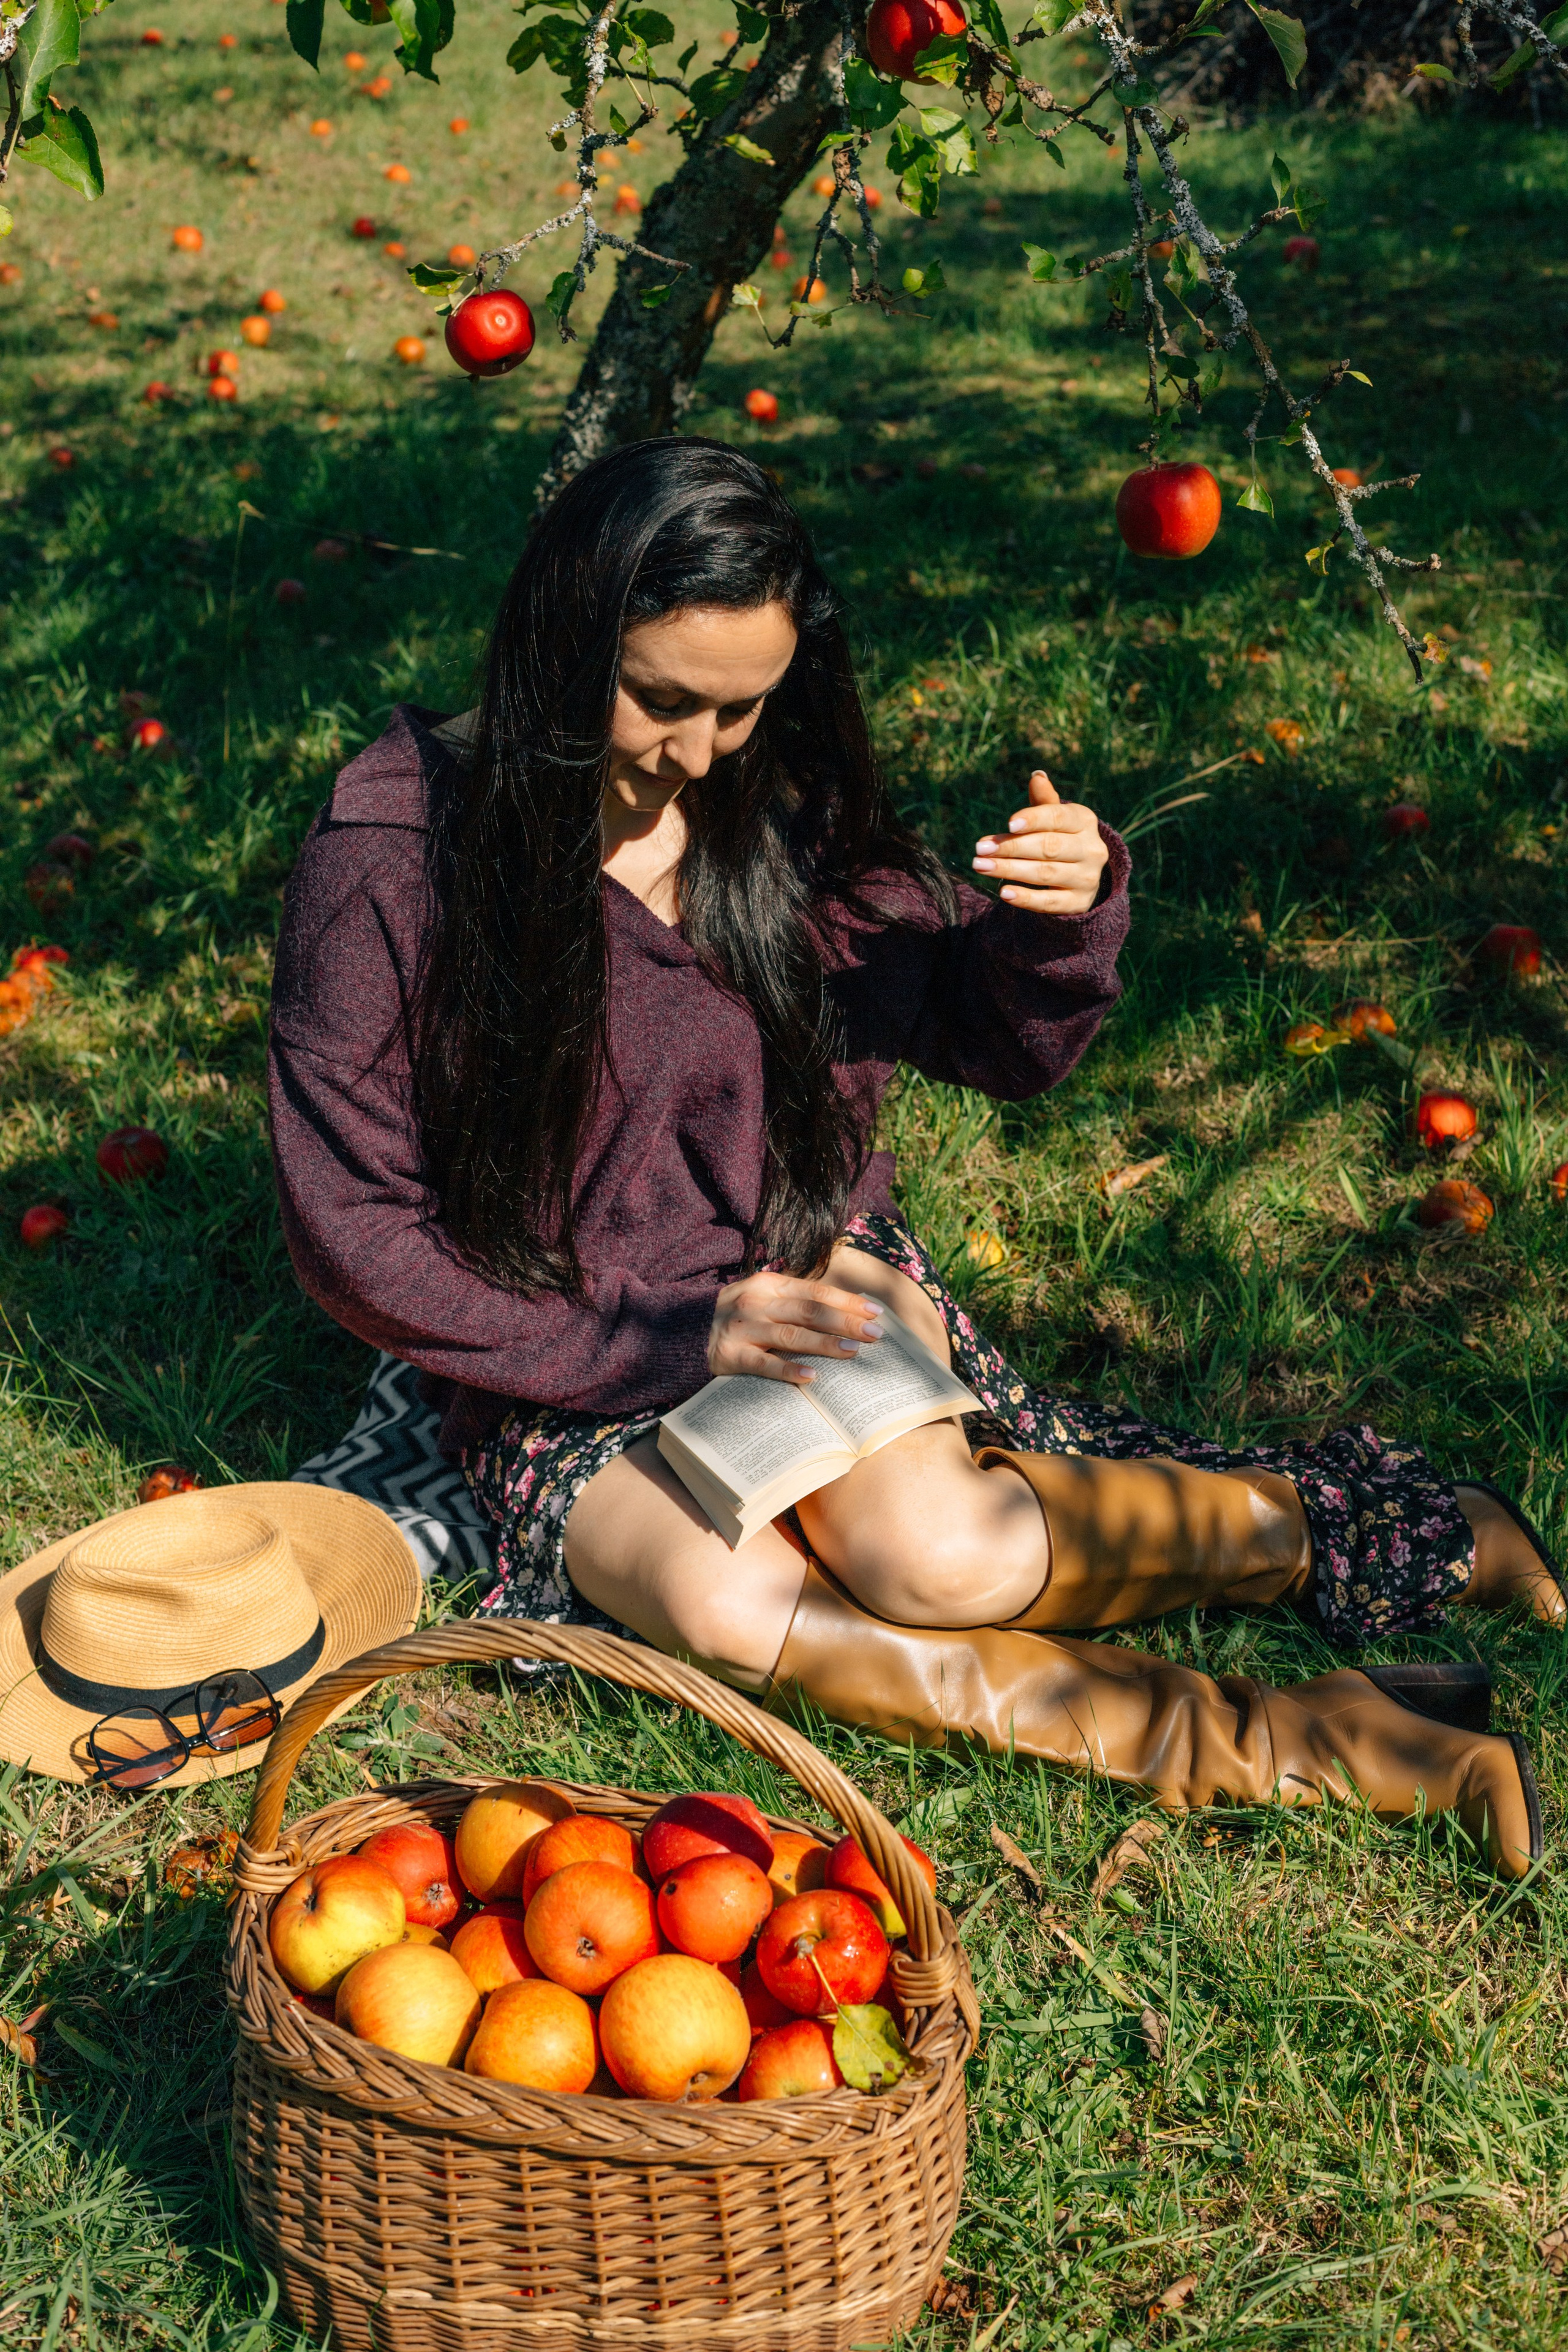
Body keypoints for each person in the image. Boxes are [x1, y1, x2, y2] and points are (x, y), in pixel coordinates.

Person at [269, 438, 1557, 1878]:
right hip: (568, 1342)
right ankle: (1316, 1741)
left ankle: (1344, 1524)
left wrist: (1052, 922)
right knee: (725, 1607)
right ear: (560, 637)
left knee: (936, 1558)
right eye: (658, 699)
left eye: (738, 708)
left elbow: (990, 1041)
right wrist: (667, 1333)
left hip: (804, 1271)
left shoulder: (777, 812)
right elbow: (353, 1231)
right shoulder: (394, 856)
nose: (693, 753)